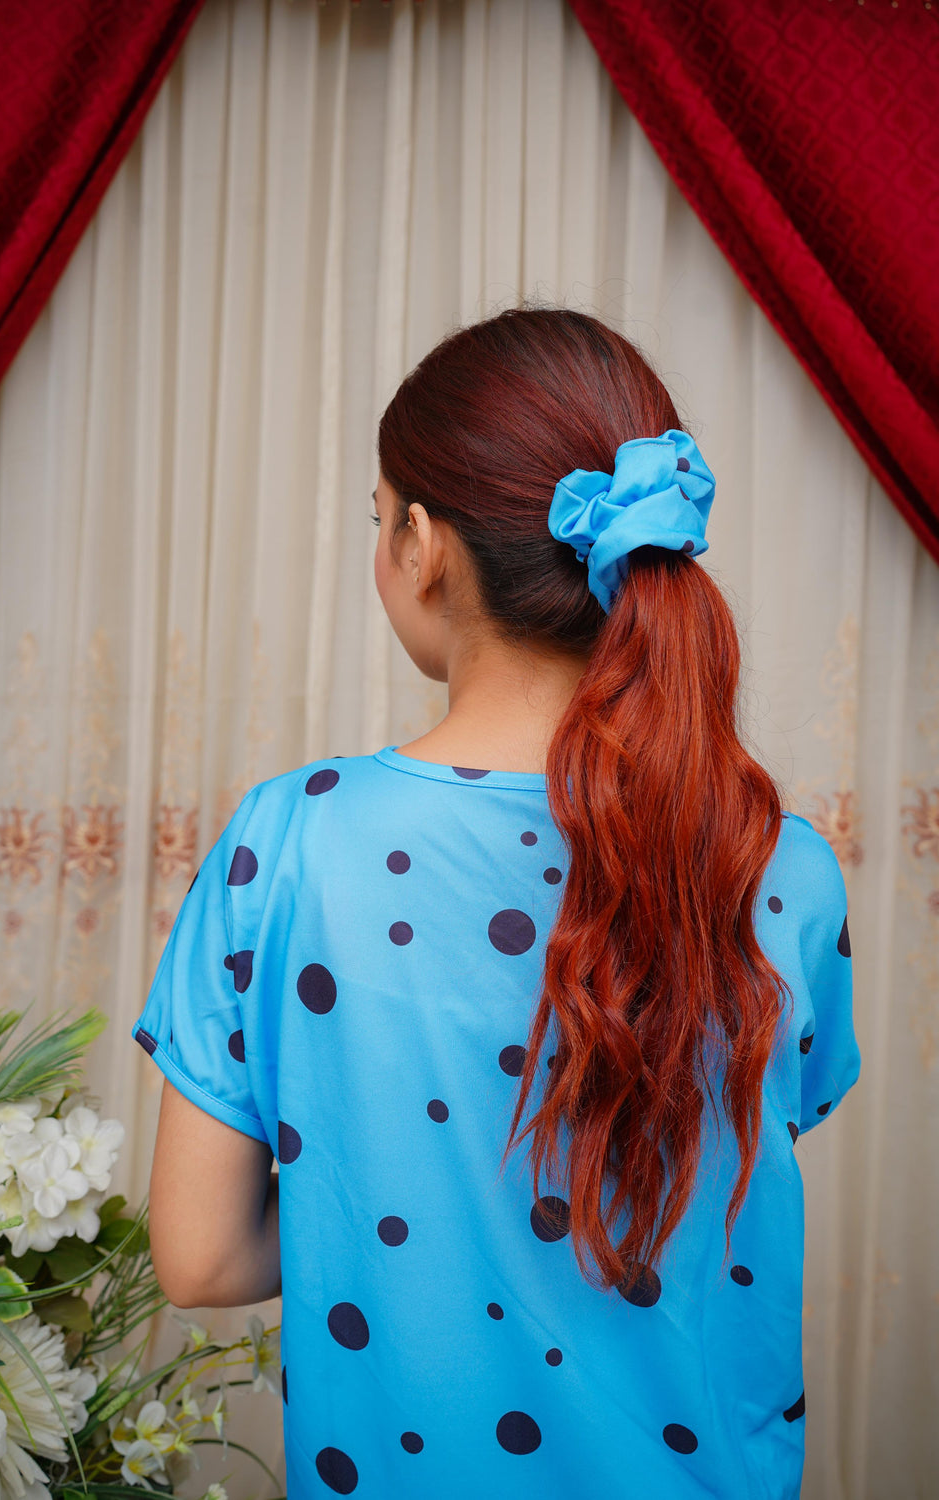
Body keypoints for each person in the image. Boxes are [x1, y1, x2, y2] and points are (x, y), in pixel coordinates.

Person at [134, 308, 860, 1500]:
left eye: (379, 519)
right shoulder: (780, 865)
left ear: (422, 544)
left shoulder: (294, 841)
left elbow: (203, 1259)